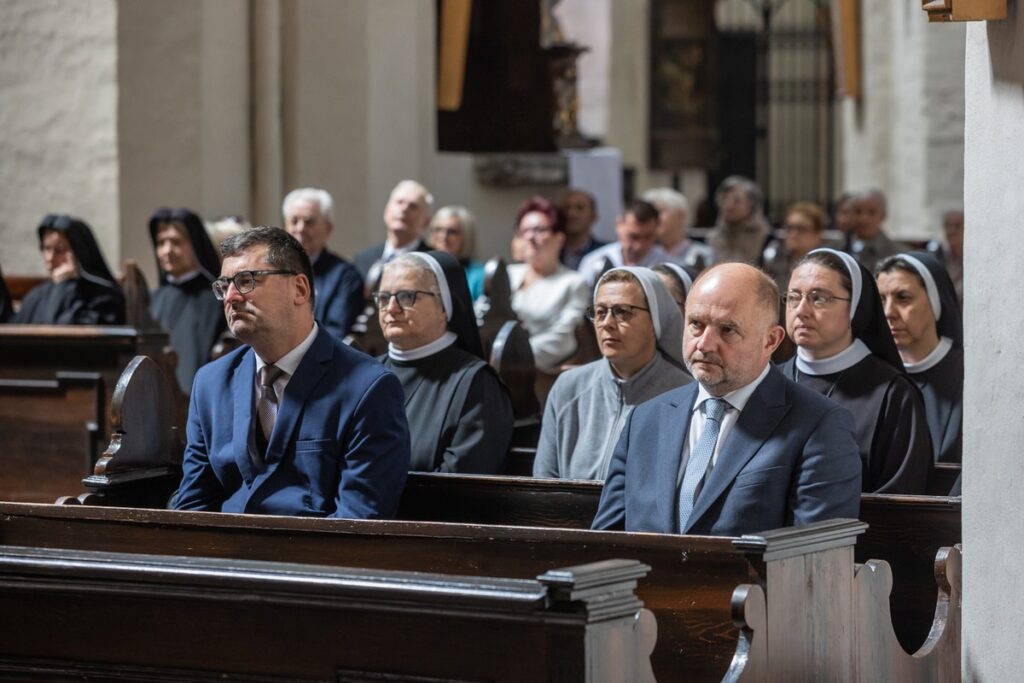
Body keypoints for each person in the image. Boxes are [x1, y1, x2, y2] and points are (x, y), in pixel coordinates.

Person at [592, 263, 861, 536]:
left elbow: (814, 558)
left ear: (770, 340)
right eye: (696, 324)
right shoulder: (645, 419)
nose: (704, 344)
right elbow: (605, 543)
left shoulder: (818, 425)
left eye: (727, 330)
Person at [174, 227, 410, 518]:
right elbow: (193, 507)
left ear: (299, 289)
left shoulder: (368, 388)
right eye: (224, 286)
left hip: (313, 559)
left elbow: (359, 521)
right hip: (223, 556)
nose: (231, 297)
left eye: (246, 281)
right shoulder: (210, 383)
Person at [780, 248, 932, 494]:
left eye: (819, 298)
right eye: (794, 297)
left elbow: (901, 499)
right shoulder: (766, 381)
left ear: (856, 307)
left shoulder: (893, 395)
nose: (801, 310)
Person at [533, 267, 691, 480]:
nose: (607, 323)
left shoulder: (685, 395)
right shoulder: (568, 388)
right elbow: (544, 482)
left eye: (622, 312)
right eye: (600, 312)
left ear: (655, 321)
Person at [377, 251, 513, 473]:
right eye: (383, 297)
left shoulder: (477, 385)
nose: (391, 308)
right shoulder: (363, 375)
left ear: (444, 307)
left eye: (406, 296)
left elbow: (461, 486)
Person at [877, 251, 963, 464]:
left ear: (936, 303)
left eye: (903, 298)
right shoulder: (872, 375)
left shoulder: (968, 374)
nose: (888, 312)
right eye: (881, 299)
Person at [507, 196, 590, 374]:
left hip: (539, 377)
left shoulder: (573, 283)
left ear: (559, 238)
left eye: (539, 230)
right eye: (524, 231)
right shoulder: (507, 275)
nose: (530, 237)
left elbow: (564, 337)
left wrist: (512, 357)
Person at [148, 207, 226, 394]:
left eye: (176, 242)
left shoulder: (218, 298)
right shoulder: (154, 298)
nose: (167, 251)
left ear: (196, 245)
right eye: (161, 243)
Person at [282, 188, 364, 341]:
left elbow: (336, 332)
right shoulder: (273, 272)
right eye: (294, 221)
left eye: (309, 222)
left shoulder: (346, 276)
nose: (300, 229)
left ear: (328, 228)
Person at [14, 214, 125, 325]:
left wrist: (65, 284)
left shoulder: (105, 298)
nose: (50, 258)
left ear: (80, 253)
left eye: (60, 250)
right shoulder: (36, 296)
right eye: (47, 248)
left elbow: (66, 330)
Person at [354, 180, 432, 285]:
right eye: (399, 202)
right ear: (386, 211)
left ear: (425, 222)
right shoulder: (363, 259)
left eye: (413, 206)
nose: (404, 209)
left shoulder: (431, 262)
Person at [579, 199, 668, 286]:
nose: (640, 246)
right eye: (633, 237)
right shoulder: (593, 262)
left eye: (648, 237)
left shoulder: (667, 267)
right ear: (619, 225)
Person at [762, 202, 827, 294]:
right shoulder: (774, 263)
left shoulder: (826, 268)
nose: (793, 234)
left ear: (817, 235)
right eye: (789, 228)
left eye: (801, 229)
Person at [707, 176, 770, 266]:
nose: (728, 205)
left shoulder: (766, 238)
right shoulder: (713, 238)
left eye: (736, 201)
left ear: (751, 205)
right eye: (725, 199)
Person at [643, 187, 712, 270]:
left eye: (660, 211)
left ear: (680, 215)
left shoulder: (702, 255)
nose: (654, 218)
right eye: (651, 213)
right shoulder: (643, 253)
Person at [428, 206, 486, 300]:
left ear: (467, 236)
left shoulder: (479, 275)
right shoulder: (421, 268)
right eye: (438, 229)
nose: (444, 236)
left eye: (452, 232)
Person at [848, 190, 905, 272]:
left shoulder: (898, 255)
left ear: (883, 215)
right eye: (858, 211)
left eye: (872, 212)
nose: (864, 219)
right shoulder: (834, 249)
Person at [559, 189, 606, 270]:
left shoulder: (604, 253)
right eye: (567, 208)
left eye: (579, 208)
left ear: (593, 216)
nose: (571, 214)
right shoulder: (552, 254)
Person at [941, 208, 964, 303]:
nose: (951, 231)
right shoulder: (938, 258)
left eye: (957, 226)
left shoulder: (973, 262)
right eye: (947, 226)